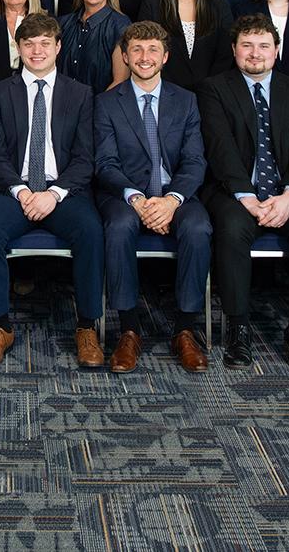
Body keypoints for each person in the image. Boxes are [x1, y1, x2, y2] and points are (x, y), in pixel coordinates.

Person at [0, 13, 105, 368]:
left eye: (45, 43)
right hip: (13, 190)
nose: (37, 50)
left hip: (63, 193)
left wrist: (53, 193)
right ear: (19, 48)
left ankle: (87, 326)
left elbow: (84, 158)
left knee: (92, 230)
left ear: (58, 47)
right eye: (29, 44)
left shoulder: (80, 94)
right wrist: (20, 191)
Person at [197, 15, 289, 372]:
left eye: (263, 46)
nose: (255, 54)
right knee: (231, 230)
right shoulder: (214, 88)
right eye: (247, 45)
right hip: (234, 189)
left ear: (276, 51)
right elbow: (219, 146)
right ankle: (238, 328)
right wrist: (247, 196)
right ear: (234, 50)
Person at [95, 21, 212, 373]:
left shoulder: (186, 100)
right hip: (124, 194)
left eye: (152, 50)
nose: (145, 57)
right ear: (126, 56)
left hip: (175, 194)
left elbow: (194, 160)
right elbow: (105, 162)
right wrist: (136, 199)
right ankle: (128, 330)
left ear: (165, 57)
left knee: (198, 229)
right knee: (118, 228)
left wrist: (172, 200)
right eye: (137, 50)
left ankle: (185, 330)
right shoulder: (106, 102)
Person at [136, 0, 234, 91]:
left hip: (212, 95)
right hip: (165, 94)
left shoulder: (219, 6)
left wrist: (209, 90)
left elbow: (225, 56)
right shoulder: (151, 5)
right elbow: (147, 52)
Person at [57, 0, 132, 94]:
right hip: (62, 107)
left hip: (100, 109)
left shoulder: (121, 25)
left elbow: (120, 80)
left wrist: (95, 109)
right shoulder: (63, 24)